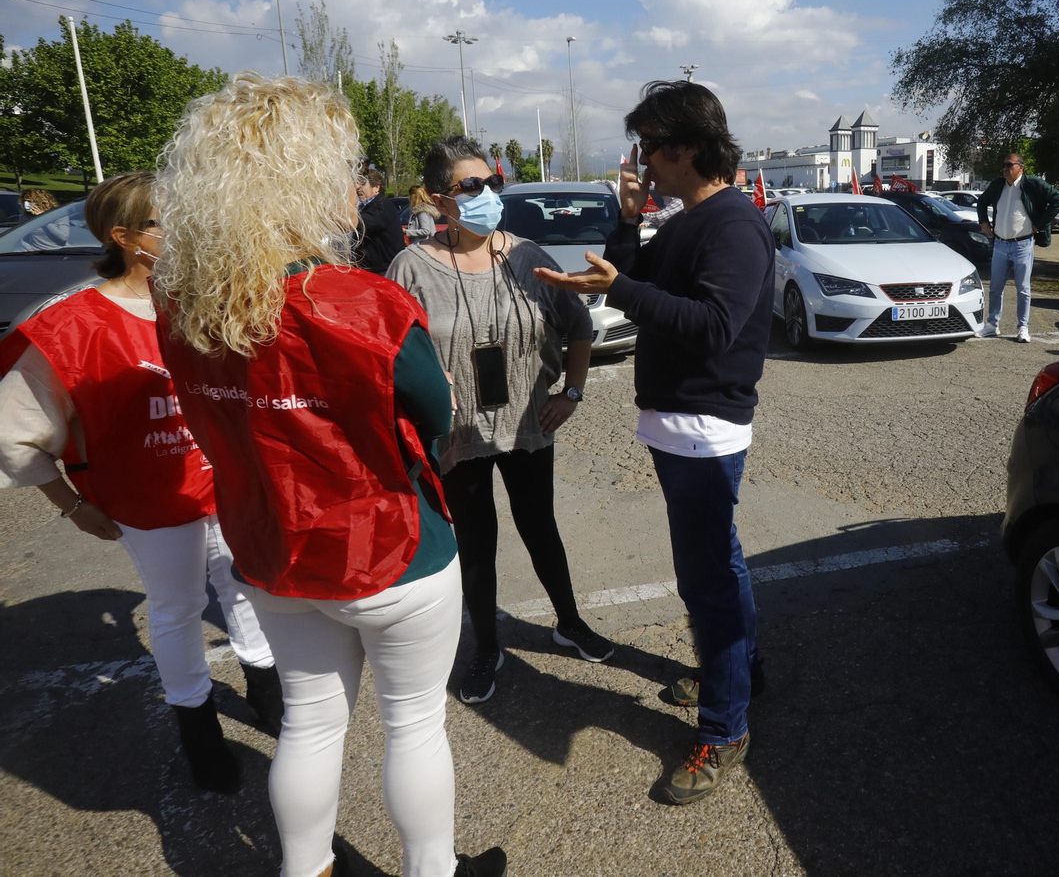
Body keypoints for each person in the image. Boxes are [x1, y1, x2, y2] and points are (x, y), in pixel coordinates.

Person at [153, 73, 505, 877]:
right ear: (304, 181)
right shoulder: (362, 300)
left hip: (273, 550)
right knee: (414, 721)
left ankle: (304, 869)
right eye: (342, 170)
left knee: (312, 721)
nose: (354, 188)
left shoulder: (185, 306)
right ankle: (432, 870)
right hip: (388, 546)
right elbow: (436, 412)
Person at [0, 171, 280, 794]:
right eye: (163, 222)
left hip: (225, 486)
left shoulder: (206, 301)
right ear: (123, 237)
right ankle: (199, 731)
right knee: (178, 608)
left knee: (242, 588)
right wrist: (71, 505)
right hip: (148, 501)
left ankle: (267, 692)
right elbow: (13, 434)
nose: (181, 231)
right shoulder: (71, 325)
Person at [534, 80, 774, 806]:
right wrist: (628, 223)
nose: (641, 161)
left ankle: (726, 726)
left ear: (687, 148)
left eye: (649, 147)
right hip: (680, 427)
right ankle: (740, 669)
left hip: (704, 428)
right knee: (718, 561)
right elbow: (629, 280)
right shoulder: (684, 219)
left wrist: (626, 290)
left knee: (705, 577)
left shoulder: (732, 224)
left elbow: (713, 326)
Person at [387, 135, 613, 706]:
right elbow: (390, 358)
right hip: (458, 438)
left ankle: (569, 622)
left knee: (542, 528)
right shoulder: (409, 269)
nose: (488, 194)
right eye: (472, 186)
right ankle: (486, 646)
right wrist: (425, 409)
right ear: (441, 200)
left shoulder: (529, 255)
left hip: (528, 422)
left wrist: (574, 392)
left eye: (493, 183)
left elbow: (579, 328)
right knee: (478, 543)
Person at [975, 153, 1059, 343]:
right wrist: (984, 222)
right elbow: (982, 202)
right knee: (995, 288)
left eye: (1009, 165)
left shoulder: (1032, 184)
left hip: (1023, 245)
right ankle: (992, 325)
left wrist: (1039, 224)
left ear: (1021, 168)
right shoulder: (998, 185)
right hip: (1000, 244)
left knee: (1023, 288)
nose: (1005, 169)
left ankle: (1023, 327)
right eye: (1004, 165)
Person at [354, 163, 405, 273]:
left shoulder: (380, 205)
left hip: (385, 271)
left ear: (376, 187)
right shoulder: (367, 206)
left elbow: (365, 223)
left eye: (362, 183)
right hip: (372, 270)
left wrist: (346, 213)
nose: (358, 187)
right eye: (356, 183)